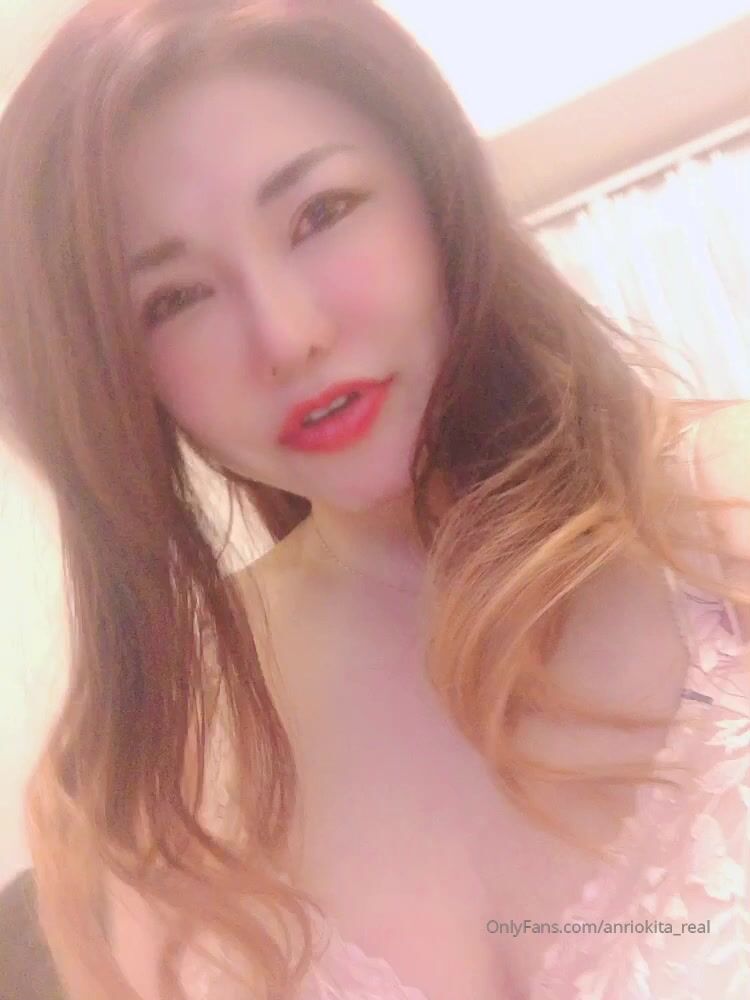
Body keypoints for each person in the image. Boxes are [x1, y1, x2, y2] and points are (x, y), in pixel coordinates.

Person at [0, 1, 748, 998]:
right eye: (172, 299)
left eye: (321, 213)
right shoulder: (147, 784)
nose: (287, 335)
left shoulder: (720, 511)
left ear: (433, 191)